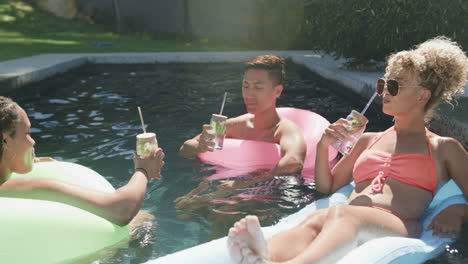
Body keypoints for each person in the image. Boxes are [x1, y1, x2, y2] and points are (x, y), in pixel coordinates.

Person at [227, 36, 468, 264]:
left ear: (421, 95)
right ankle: (264, 254)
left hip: (400, 224)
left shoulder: (443, 148)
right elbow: (327, 187)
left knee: (343, 214)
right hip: (350, 218)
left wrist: (458, 209)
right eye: (382, 83)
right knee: (316, 220)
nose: (384, 91)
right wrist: (324, 145)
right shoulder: (368, 140)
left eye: (394, 86)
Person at [0, 96, 165, 227]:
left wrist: (30, 161)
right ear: (5, 141)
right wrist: (143, 170)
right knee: (144, 219)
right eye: (27, 133)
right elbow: (121, 210)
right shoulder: (26, 187)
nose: (32, 142)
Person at [179, 54, 307, 177]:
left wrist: (244, 185)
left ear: (277, 91)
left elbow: (294, 162)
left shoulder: (285, 130)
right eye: (245, 86)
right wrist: (199, 147)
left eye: (258, 87)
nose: (249, 94)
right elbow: (185, 148)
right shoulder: (233, 124)